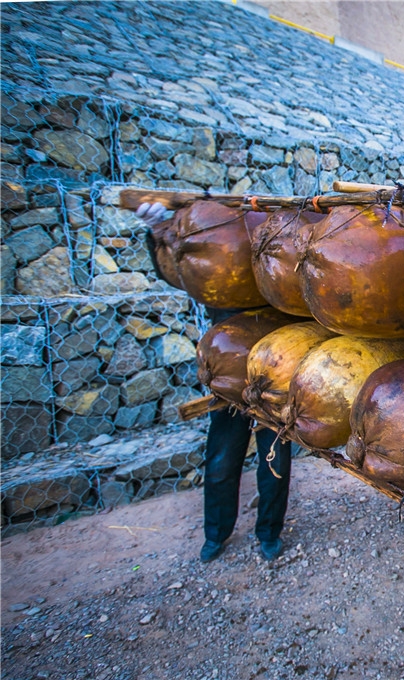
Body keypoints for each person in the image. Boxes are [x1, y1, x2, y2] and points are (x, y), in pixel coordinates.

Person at [137, 202, 292, 563]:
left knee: (275, 456)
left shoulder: (277, 264)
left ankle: (269, 532)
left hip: (275, 359)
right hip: (227, 361)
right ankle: (216, 534)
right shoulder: (216, 257)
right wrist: (158, 233)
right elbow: (177, 270)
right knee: (222, 455)